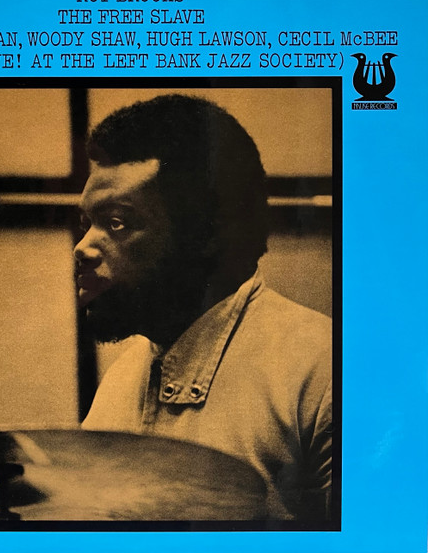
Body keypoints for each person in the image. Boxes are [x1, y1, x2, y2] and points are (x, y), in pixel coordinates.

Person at [74, 94, 332, 521]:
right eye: (86, 224)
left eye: (117, 222)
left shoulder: (323, 371)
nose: (82, 248)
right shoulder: (119, 383)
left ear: (206, 232)